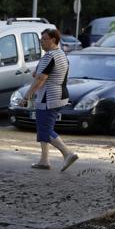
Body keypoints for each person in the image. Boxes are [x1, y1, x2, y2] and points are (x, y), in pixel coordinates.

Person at [25, 28, 78, 171]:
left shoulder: (49, 56)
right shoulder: (62, 55)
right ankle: (44, 160)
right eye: (41, 40)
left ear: (53, 40)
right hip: (59, 95)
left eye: (44, 39)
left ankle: (68, 153)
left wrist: (28, 93)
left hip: (48, 97)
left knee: (45, 129)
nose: (41, 42)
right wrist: (38, 74)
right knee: (44, 126)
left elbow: (41, 78)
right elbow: (46, 74)